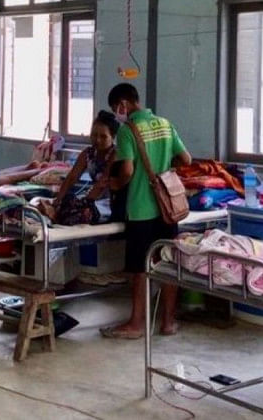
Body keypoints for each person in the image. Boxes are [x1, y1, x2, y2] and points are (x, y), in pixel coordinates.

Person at [100, 83, 191, 339]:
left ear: (123, 104)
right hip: (168, 208)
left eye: (116, 108)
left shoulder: (128, 131)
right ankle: (168, 322)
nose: (117, 114)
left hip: (141, 209)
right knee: (168, 263)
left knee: (140, 269)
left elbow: (127, 171)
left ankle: (136, 324)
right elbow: (186, 159)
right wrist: (164, 168)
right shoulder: (165, 124)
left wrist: (115, 184)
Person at [41, 110, 125, 225]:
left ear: (113, 137)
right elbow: (71, 178)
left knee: (79, 213)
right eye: (94, 135)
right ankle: (55, 213)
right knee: (68, 201)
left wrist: (84, 203)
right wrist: (58, 200)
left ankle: (55, 216)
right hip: (93, 199)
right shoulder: (88, 153)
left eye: (103, 136)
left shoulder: (115, 154)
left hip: (108, 204)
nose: (97, 140)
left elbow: (102, 183)